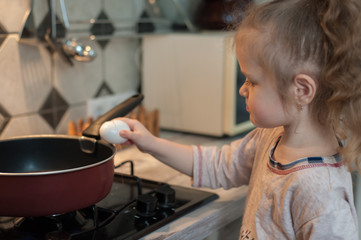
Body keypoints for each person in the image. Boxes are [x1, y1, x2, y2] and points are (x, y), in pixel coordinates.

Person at [118, 0, 361, 239]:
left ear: (302, 90)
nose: (242, 90)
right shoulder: (270, 137)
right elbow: (219, 165)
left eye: (252, 81)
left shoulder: (321, 193)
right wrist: (150, 143)